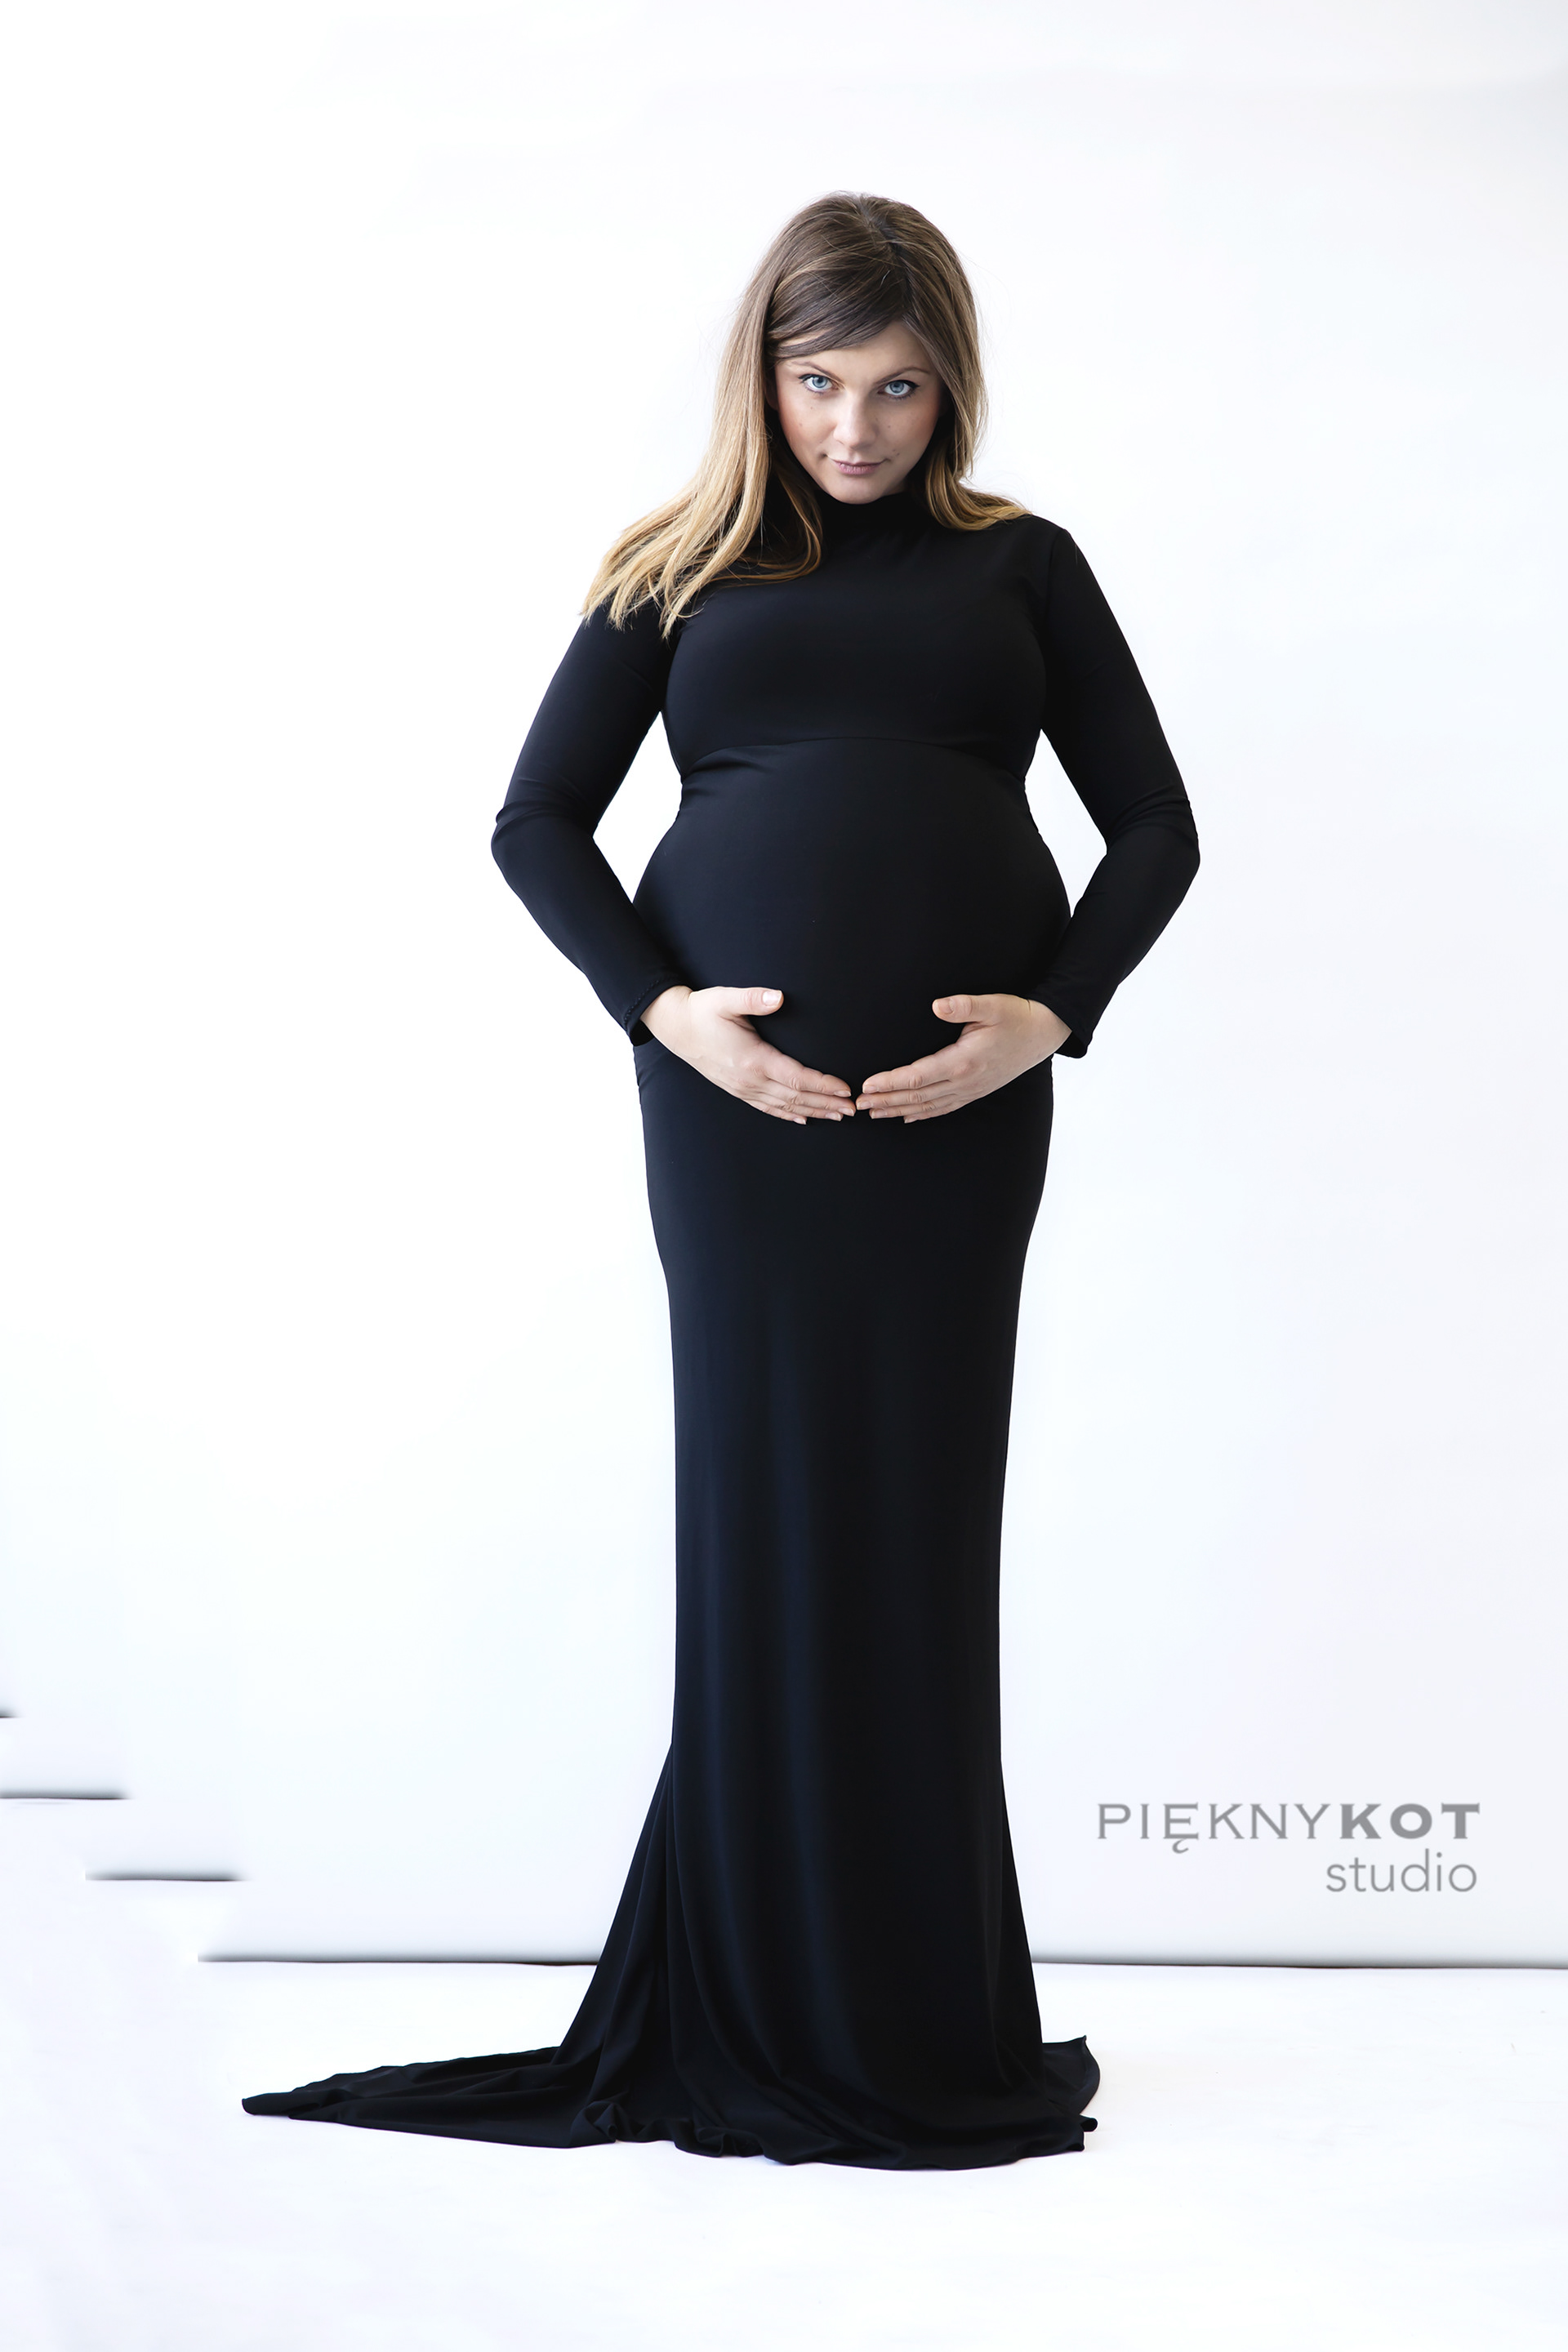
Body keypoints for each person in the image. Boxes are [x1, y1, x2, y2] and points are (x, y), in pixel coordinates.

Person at [244, 191, 1199, 2168]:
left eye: (900, 388)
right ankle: (759, 1987)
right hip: (731, 1120)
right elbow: (535, 823)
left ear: (953, 389)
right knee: (761, 1515)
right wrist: (667, 1016)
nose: (857, 426)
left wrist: (1047, 1017)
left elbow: (1157, 831)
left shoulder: (1021, 565)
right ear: (762, 375)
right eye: (822, 380)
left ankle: (919, 2006)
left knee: (920, 1519)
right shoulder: (671, 568)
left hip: (958, 1123)